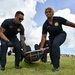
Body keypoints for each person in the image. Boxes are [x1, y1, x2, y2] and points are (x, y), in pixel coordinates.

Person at [40, 7, 75, 72]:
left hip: (61, 35)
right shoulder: (45, 24)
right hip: (51, 38)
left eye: (49, 12)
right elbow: (44, 37)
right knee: (51, 50)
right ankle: (53, 62)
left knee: (55, 44)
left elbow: (69, 23)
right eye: (46, 12)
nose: (48, 13)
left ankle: (56, 66)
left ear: (52, 13)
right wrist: (41, 47)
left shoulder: (58, 19)